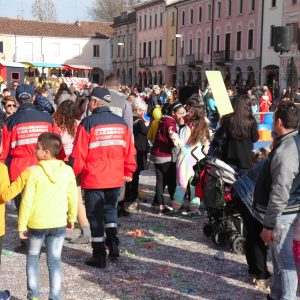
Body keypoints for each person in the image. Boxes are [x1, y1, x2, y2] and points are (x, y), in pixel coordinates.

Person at [69, 87, 136, 268]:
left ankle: (99, 254)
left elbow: (78, 154)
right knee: (110, 211)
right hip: (114, 177)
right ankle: (113, 243)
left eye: (90, 100)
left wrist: (71, 173)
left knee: (95, 216)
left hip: (94, 179)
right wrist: (128, 172)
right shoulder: (121, 124)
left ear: (95, 102)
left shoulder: (88, 123)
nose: (89, 104)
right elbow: (130, 151)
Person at [18, 132, 78, 300]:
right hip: (58, 222)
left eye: (37, 148)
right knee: (54, 261)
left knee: (32, 257)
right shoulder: (67, 171)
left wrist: (22, 225)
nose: (35, 150)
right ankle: (55, 296)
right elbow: (73, 196)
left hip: (36, 224)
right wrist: (71, 218)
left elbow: (26, 201)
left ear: (46, 152)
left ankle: (33, 295)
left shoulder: (34, 173)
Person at [254, 101, 300, 300]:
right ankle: (277, 294)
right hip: (287, 209)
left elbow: (281, 189)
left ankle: (286, 297)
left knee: (285, 261)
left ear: (278, 122)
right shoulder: (291, 141)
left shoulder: (286, 150)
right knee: (279, 259)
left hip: (284, 213)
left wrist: (269, 223)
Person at [0, 84, 62, 214]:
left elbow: (4, 152)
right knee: (42, 207)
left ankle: (27, 231)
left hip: (18, 171)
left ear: (16, 100)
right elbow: (57, 145)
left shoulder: (10, 121)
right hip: (44, 168)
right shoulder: (48, 119)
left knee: (23, 209)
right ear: (33, 98)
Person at [53, 100, 91, 244]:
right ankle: (85, 228)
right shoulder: (79, 124)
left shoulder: (56, 126)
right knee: (77, 197)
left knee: (59, 198)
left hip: (61, 163)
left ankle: (57, 228)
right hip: (76, 163)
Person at [172, 105, 210, 215]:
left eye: (189, 112)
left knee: (181, 184)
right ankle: (194, 209)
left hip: (185, 158)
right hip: (198, 158)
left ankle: (176, 208)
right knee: (195, 185)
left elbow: (182, 143)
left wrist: (174, 136)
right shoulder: (204, 127)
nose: (187, 113)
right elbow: (206, 144)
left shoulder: (187, 127)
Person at [150, 101, 185, 214]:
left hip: (157, 154)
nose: (181, 115)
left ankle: (159, 205)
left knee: (160, 181)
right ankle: (176, 205)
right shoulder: (170, 122)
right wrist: (181, 143)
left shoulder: (162, 120)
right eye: (179, 113)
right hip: (165, 155)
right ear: (173, 112)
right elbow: (173, 138)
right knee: (170, 181)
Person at [125, 97, 149, 211]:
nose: (144, 113)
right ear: (138, 110)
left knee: (129, 174)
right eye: (143, 111)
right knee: (135, 176)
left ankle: (128, 195)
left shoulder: (128, 119)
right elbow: (146, 132)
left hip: (130, 149)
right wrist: (146, 123)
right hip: (138, 150)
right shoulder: (139, 121)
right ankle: (132, 197)